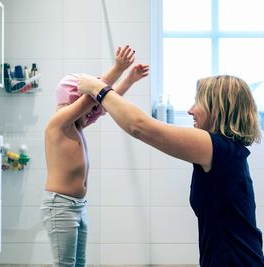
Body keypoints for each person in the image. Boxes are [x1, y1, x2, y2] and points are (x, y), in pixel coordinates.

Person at [77, 74, 264, 266]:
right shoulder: (226, 152)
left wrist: (97, 88)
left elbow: (139, 126)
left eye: (197, 102)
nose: (190, 110)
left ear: (218, 109)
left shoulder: (219, 149)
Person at [40, 45, 150, 267]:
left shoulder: (76, 127)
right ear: (73, 102)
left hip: (77, 205)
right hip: (60, 205)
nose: (91, 113)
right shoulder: (59, 122)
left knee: (78, 264)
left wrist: (129, 80)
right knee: (65, 265)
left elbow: (103, 103)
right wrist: (117, 68)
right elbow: (92, 98)